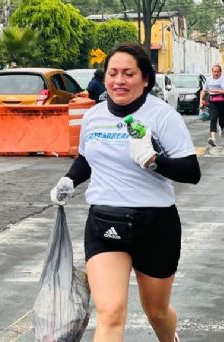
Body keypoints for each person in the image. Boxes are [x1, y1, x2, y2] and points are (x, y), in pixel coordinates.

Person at [50, 43, 200, 342]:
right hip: (105, 222)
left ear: (145, 79)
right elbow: (86, 159)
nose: (119, 80)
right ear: (104, 78)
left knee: (156, 312)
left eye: (128, 73)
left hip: (156, 225)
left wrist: (154, 161)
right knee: (111, 312)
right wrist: (69, 180)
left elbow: (191, 172)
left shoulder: (162, 116)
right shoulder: (93, 116)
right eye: (113, 73)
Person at [200, 65, 224, 147]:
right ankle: (213, 139)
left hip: (223, 101)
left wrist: (216, 91)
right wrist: (201, 101)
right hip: (213, 101)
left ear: (220, 72)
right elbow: (204, 91)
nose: (216, 73)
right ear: (212, 72)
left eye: (218, 72)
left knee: (222, 119)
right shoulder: (209, 79)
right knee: (213, 118)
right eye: (214, 71)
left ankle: (222, 128)